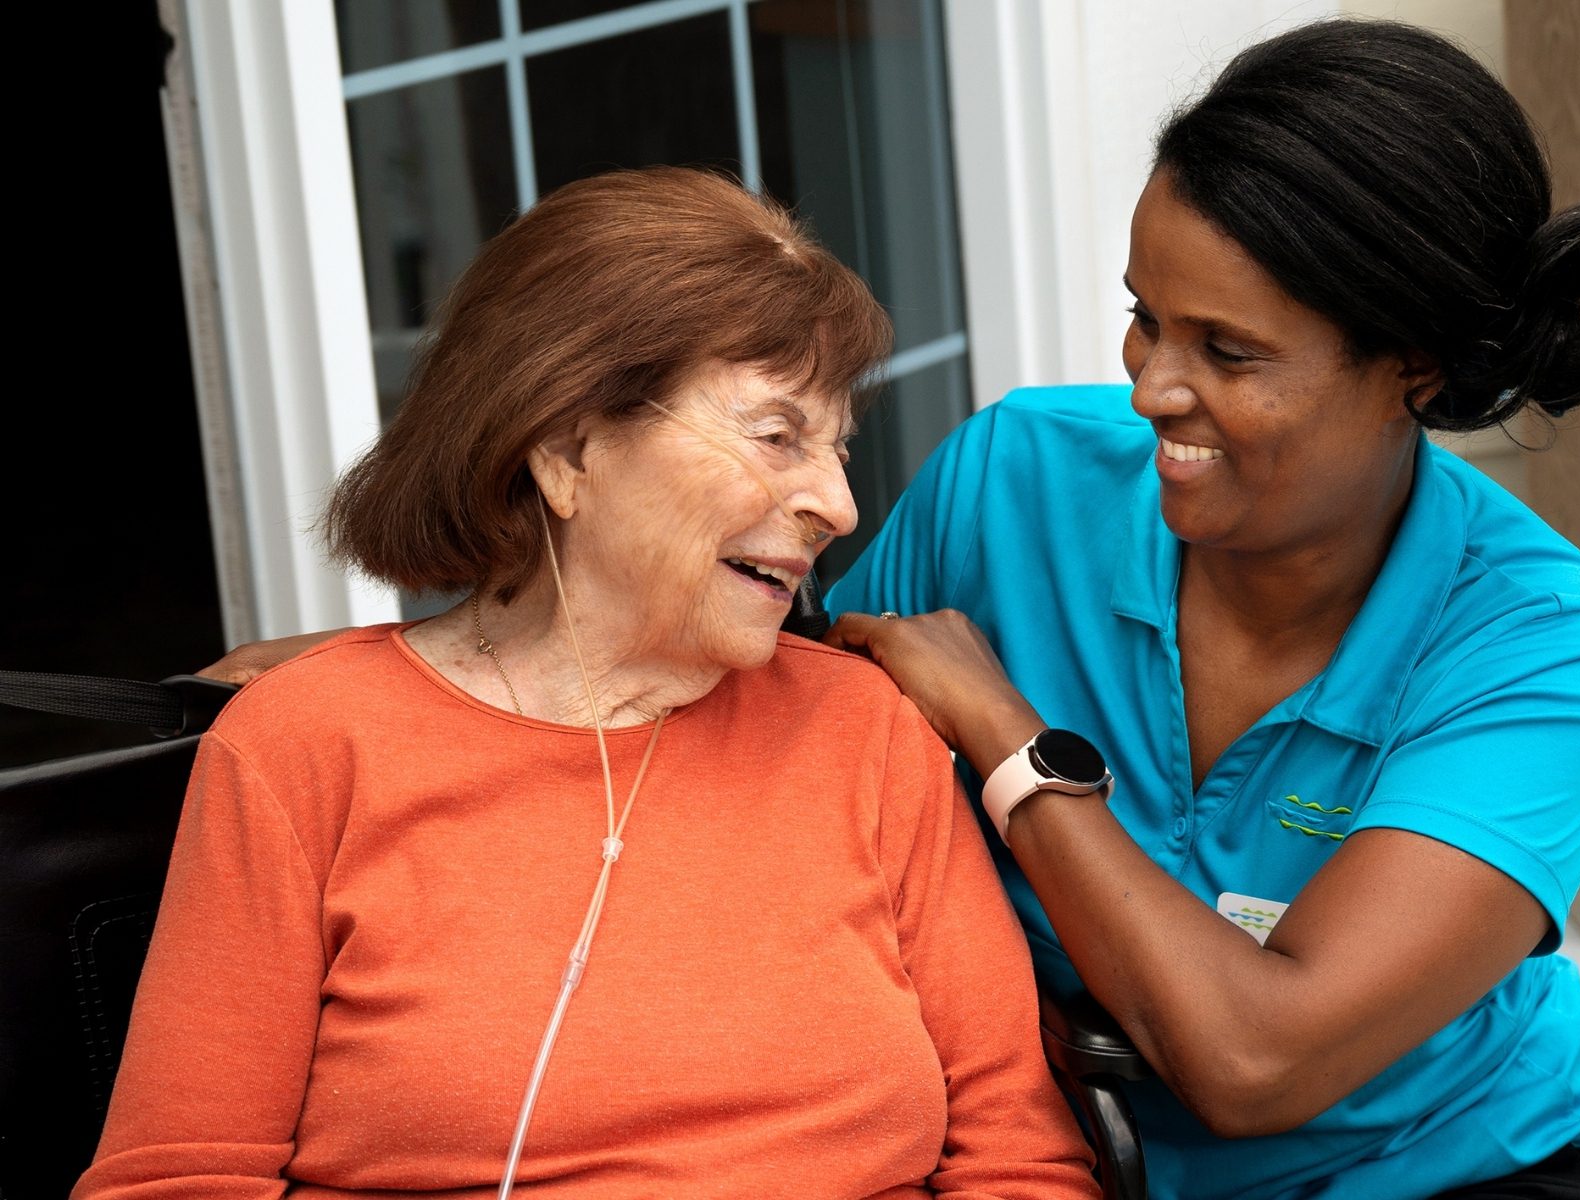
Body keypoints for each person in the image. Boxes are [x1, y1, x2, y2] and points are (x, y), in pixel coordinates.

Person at [75, 168, 1098, 1199]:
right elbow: (176, 1179)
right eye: (778, 435)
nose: (836, 503)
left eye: (836, 449)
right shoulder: (305, 747)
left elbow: (1019, 1155)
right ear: (566, 449)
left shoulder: (863, 731)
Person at [825, 19, 1580, 1200]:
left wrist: (1009, 740)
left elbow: (1258, 1060)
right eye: (1146, 316)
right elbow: (799, 784)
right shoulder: (1009, 482)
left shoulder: (1548, 643)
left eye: (1228, 350)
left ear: (1412, 367)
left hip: (1448, 1166)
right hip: (1055, 1152)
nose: (1151, 386)